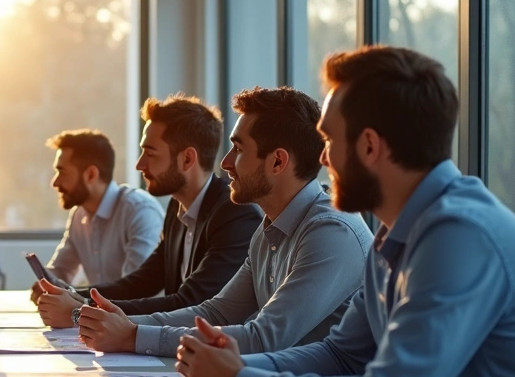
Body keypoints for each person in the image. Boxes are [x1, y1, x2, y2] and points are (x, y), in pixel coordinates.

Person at [176, 46, 515, 377]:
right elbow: (341, 355)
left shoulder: (459, 236)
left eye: (328, 140)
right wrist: (235, 367)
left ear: (370, 147)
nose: (321, 158)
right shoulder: (395, 236)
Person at [77, 86, 372, 355]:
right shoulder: (268, 228)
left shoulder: (331, 232)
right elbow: (217, 313)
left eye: (239, 150)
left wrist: (133, 336)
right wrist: (119, 322)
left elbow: (263, 338)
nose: (225, 163)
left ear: (278, 162)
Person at [36, 95, 261, 327]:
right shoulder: (178, 206)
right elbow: (143, 281)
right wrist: (74, 294)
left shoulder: (235, 214)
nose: (139, 164)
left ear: (187, 159)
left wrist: (80, 309)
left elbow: (191, 304)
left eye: (150, 153)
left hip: (220, 355)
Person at [32, 129, 163, 293]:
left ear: (91, 174)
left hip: (139, 318)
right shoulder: (79, 214)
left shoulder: (140, 211)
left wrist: (76, 297)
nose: (55, 182)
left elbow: (135, 289)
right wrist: (45, 287)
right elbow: (61, 271)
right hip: (102, 316)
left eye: (62, 171)